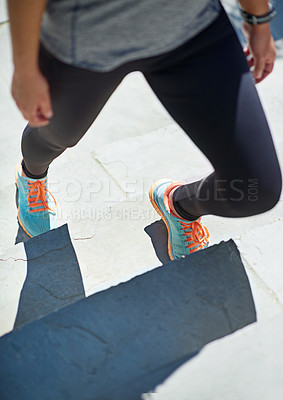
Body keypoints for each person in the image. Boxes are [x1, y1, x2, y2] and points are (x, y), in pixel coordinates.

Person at [8, 0, 282, 260]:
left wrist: (258, 18)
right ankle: (31, 175)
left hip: (194, 32)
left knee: (256, 188)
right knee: (57, 135)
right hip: (84, 45)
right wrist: (25, 69)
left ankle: (180, 205)